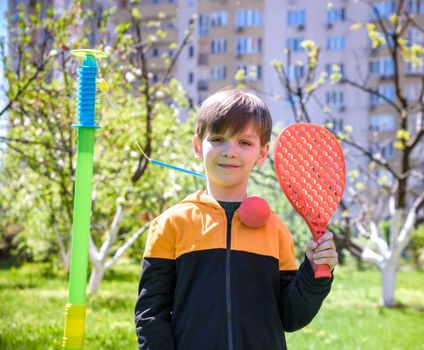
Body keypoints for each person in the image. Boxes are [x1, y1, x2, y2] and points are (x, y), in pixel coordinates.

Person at [135, 89, 338, 350]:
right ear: (198, 146)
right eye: (218, 139)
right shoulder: (171, 224)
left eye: (245, 142)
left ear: (262, 154)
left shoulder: (275, 230)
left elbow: (291, 316)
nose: (230, 151)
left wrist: (314, 272)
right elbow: (151, 315)